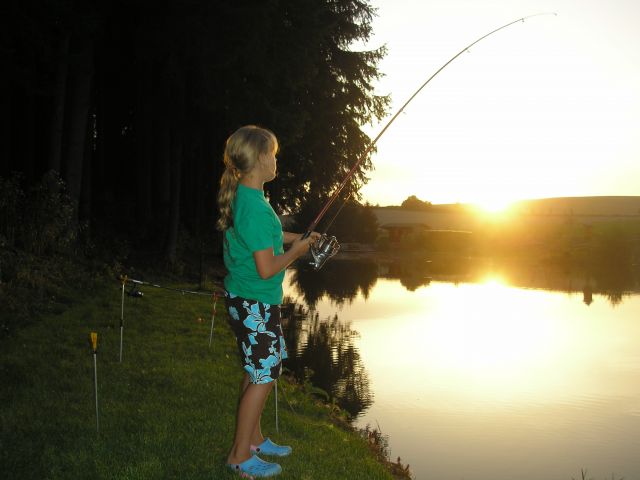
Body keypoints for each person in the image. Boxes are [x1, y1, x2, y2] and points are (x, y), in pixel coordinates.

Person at [216, 125, 319, 478]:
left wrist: (299, 238)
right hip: (254, 301)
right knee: (263, 374)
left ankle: (255, 439)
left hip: (247, 301)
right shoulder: (255, 206)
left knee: (256, 369)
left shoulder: (248, 198)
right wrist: (297, 251)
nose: (276, 160)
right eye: (272, 154)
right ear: (260, 159)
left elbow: (266, 239)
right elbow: (266, 266)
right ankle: (239, 456)